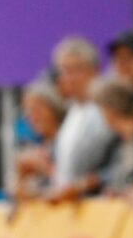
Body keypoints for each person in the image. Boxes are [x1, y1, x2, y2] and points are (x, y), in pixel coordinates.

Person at [49, 37, 117, 202]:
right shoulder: (70, 112)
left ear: (95, 70)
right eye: (64, 71)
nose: (69, 78)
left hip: (101, 205)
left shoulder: (108, 109)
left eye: (76, 70)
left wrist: (82, 185)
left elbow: (119, 164)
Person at [13, 81, 65, 200]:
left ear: (54, 109)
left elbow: (70, 184)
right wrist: (21, 175)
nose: (33, 117)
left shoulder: (67, 140)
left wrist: (43, 166)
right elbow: (19, 196)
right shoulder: (42, 146)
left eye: (37, 110)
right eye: (29, 112)